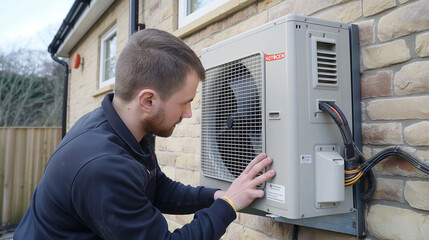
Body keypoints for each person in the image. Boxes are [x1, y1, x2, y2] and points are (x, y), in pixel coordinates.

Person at [14, 28, 275, 240]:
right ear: (147, 101)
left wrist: (213, 196)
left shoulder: (128, 126)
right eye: (185, 102)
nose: (188, 114)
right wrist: (227, 206)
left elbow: (156, 187)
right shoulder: (104, 166)